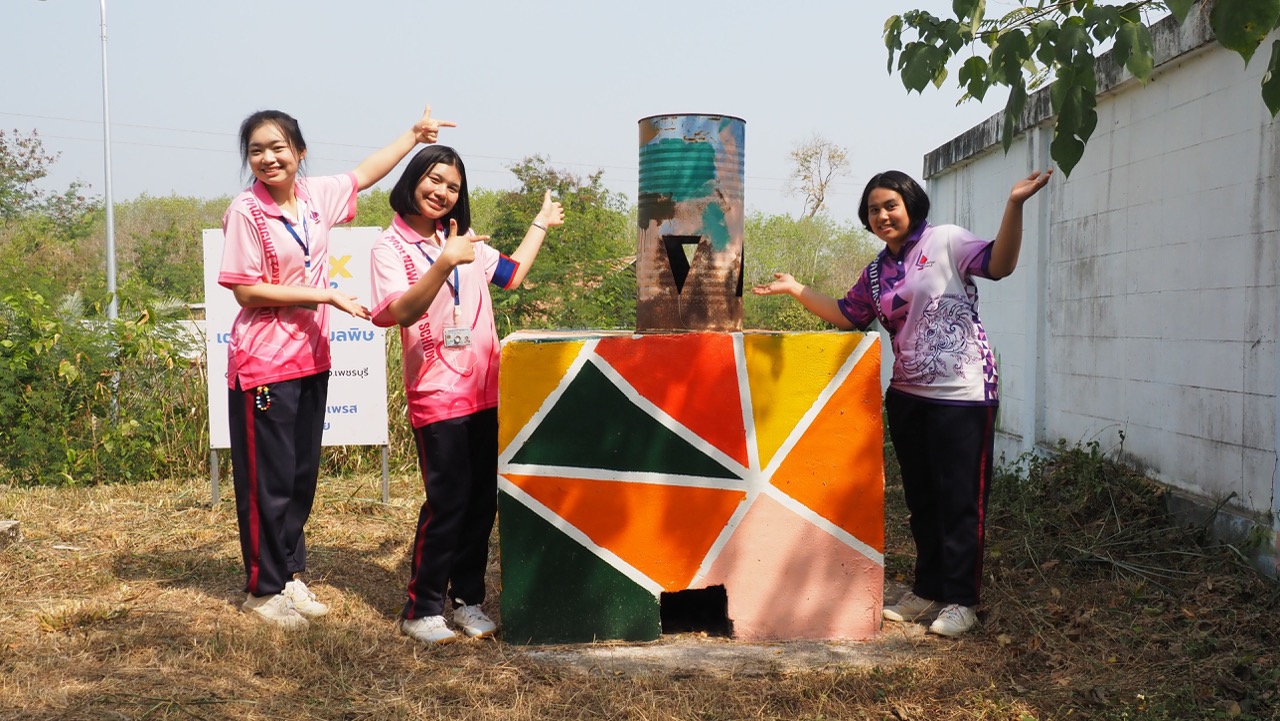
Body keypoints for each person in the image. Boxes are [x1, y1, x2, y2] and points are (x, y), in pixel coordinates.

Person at [753, 168, 1052, 637]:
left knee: (960, 501)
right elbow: (846, 314)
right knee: (922, 500)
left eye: (890, 205)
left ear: (911, 204)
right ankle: (928, 589)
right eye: (873, 209)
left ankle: (961, 600)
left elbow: (1000, 264)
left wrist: (1014, 204)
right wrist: (795, 288)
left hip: (963, 396)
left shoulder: (946, 241)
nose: (882, 215)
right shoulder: (875, 273)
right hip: (908, 397)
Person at [218, 105, 455, 629]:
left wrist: (413, 136)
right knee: (268, 481)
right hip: (263, 363)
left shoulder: (314, 196)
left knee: (300, 476)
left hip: (311, 357)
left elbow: (365, 173)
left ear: (299, 152)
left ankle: (288, 574)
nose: (268, 158)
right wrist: (323, 294)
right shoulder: (246, 212)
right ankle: (262, 589)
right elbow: (245, 291)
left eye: (278, 148)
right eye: (256, 151)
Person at [368, 145, 565, 645]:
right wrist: (442, 263)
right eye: (433, 180)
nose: (441, 192)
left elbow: (513, 275)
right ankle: (421, 609)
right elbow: (399, 313)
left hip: (486, 391)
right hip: (437, 393)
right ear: (413, 179)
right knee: (448, 501)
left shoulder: (463, 239)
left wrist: (541, 223)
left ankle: (467, 600)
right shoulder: (389, 247)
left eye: (452, 187)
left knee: (480, 503)